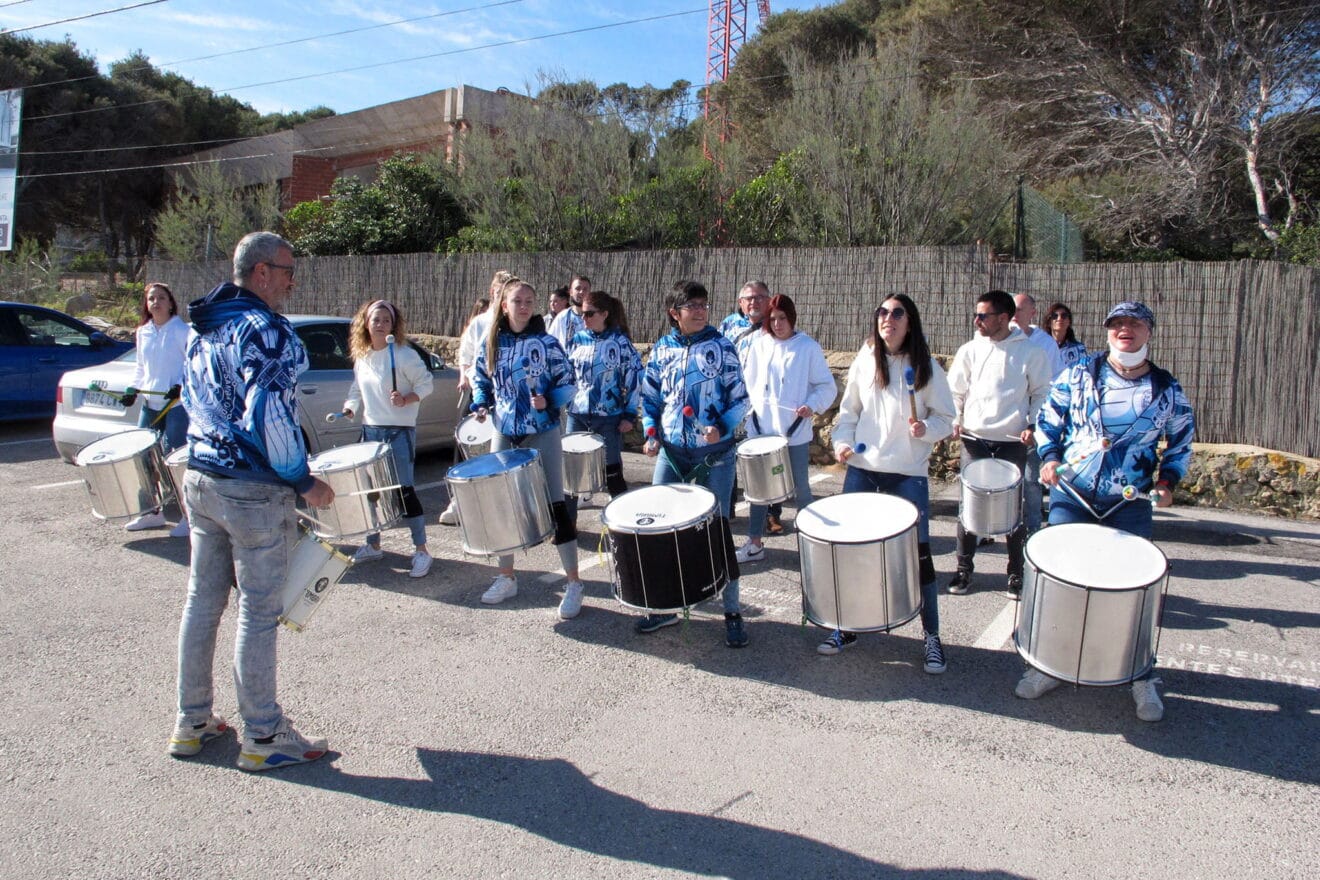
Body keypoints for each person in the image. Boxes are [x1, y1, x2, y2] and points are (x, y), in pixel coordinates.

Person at [171, 231, 334, 771]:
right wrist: (301, 479)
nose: (293, 279)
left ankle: (191, 721)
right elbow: (269, 412)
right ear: (260, 272)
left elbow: (192, 399)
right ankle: (262, 734)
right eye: (288, 269)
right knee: (258, 614)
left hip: (201, 479)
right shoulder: (264, 330)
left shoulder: (205, 326)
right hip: (252, 488)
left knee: (202, 602)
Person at [1016, 301, 1195, 721]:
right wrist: (1048, 458)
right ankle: (1048, 665)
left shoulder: (1167, 389)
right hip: (1072, 496)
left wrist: (1168, 483)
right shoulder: (1079, 375)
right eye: (1116, 324)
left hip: (1126, 505)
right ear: (1107, 332)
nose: (1124, 330)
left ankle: (1140, 676)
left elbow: (1181, 443)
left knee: (1134, 595)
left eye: (1134, 323)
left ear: (1149, 332)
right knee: (1066, 586)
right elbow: (1048, 421)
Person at [828, 295, 956, 672]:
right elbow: (848, 412)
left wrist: (926, 429)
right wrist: (841, 442)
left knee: (919, 558)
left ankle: (931, 637)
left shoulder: (927, 367)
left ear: (910, 322)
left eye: (897, 313)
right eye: (882, 312)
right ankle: (845, 625)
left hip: (907, 474)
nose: (888, 318)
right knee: (850, 553)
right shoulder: (865, 360)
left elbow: (947, 418)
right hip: (864, 469)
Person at [637, 280, 751, 647]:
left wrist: (721, 427)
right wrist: (651, 430)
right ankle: (664, 608)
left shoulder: (722, 347)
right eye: (692, 306)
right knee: (659, 529)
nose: (701, 310)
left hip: (714, 456)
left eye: (704, 304)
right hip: (672, 453)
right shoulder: (661, 349)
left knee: (717, 532)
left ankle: (732, 611)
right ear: (675, 313)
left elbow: (739, 399)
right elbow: (650, 397)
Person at [471, 278, 587, 619]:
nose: (524, 306)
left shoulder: (547, 343)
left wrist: (549, 399)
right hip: (505, 432)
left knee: (556, 505)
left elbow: (568, 382)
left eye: (529, 301)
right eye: (517, 301)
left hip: (543, 431)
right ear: (504, 306)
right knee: (503, 506)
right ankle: (506, 576)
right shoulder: (492, 342)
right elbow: (481, 377)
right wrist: (480, 402)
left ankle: (574, 582)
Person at [945, 290, 1052, 598]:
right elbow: (955, 392)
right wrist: (955, 418)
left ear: (1004, 318)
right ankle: (963, 570)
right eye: (976, 315)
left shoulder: (1031, 353)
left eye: (983, 316)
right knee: (969, 509)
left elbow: (1042, 392)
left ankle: (1015, 573)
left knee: (1012, 513)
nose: (976, 321)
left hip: (1012, 444)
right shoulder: (969, 350)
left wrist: (1033, 424)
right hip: (974, 441)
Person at [734, 293, 835, 564]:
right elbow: (748, 384)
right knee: (758, 492)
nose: (777, 324)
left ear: (791, 318)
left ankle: (813, 543)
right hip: (761, 432)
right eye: (772, 319)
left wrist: (811, 405)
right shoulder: (759, 344)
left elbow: (826, 386)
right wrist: (750, 415)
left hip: (794, 433)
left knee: (801, 488)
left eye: (782, 318)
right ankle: (754, 543)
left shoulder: (807, 347)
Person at [342, 300, 435, 578]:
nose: (380, 324)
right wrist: (350, 407)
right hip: (370, 431)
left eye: (386, 320)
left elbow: (426, 383)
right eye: (376, 319)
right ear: (366, 323)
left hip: (398, 431)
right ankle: (373, 544)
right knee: (370, 494)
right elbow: (356, 389)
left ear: (393, 325)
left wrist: (407, 398)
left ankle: (421, 551)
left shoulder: (404, 355)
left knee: (404, 491)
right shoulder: (363, 356)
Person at [438, 273, 512, 527]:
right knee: (468, 449)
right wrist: (465, 376)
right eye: (501, 290)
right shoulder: (480, 322)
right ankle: (459, 504)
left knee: (504, 455)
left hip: (507, 398)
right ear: (493, 292)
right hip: (480, 394)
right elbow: (466, 354)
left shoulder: (515, 324)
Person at [122, 282, 191, 536]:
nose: (156, 302)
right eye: (151, 298)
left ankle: (188, 516)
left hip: (177, 404)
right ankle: (151, 512)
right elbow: (141, 368)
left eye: (161, 298)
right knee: (142, 457)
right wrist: (133, 389)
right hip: (151, 404)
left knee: (175, 458)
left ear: (171, 303)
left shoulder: (182, 331)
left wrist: (181, 386)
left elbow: (193, 366)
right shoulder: (144, 332)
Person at [565, 289, 642, 516]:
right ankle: (566, 525)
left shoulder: (620, 343)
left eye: (589, 314)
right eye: (582, 314)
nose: (584, 319)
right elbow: (566, 374)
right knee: (570, 473)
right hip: (577, 414)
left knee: (612, 471)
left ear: (604, 314)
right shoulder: (576, 340)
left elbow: (635, 379)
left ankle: (625, 521)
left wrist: (630, 415)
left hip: (608, 417)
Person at [718, 281, 777, 530]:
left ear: (769, 300)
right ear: (740, 302)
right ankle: (727, 507)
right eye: (748, 298)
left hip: (763, 402)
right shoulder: (729, 324)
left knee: (764, 458)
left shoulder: (776, 324)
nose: (753, 302)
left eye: (759, 297)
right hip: (731, 400)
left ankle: (772, 513)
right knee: (727, 452)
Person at [1012, 293, 1065, 535]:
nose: (1013, 315)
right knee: (1002, 480)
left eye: (1020, 310)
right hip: (1005, 425)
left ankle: (1032, 529)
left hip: (1034, 423)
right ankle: (992, 529)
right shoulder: (995, 340)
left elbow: (1055, 384)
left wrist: (1036, 421)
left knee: (1031, 480)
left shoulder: (1045, 344)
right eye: (1011, 309)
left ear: (1032, 313)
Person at [548, 274, 591, 354]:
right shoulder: (562, 317)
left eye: (585, 289)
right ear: (570, 292)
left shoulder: (596, 317)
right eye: (578, 289)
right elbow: (550, 344)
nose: (581, 292)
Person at [1044, 301, 1088, 371]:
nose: (1059, 319)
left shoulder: (1079, 348)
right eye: (1054, 316)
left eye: (1064, 316)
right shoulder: (1041, 347)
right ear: (1049, 323)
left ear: (1069, 322)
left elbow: (1083, 372)